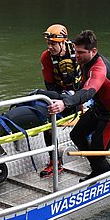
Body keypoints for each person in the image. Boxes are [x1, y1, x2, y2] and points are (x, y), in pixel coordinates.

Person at [47, 30, 110, 181]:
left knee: (97, 152)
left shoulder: (99, 68)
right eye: (75, 51)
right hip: (99, 109)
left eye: (80, 52)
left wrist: (65, 103)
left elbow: (89, 91)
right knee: (76, 135)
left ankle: (102, 172)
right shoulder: (85, 61)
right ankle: (99, 168)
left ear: (94, 51)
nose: (76, 55)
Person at [38, 23, 82, 177]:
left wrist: (81, 98)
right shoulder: (46, 57)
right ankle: (54, 162)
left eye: (53, 44)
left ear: (63, 42)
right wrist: (61, 102)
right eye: (48, 43)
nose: (49, 47)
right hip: (61, 95)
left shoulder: (77, 52)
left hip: (83, 92)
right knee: (47, 119)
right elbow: (50, 87)